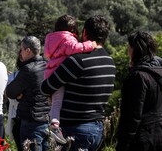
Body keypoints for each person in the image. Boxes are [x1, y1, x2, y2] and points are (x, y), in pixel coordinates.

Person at [41, 16, 116, 151]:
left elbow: (46, 87)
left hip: (75, 130)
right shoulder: (109, 62)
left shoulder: (77, 61)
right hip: (97, 129)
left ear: (85, 33)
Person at [116, 31, 162, 151]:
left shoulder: (138, 77)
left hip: (145, 140)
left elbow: (133, 115)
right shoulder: (161, 72)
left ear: (134, 50)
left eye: (129, 47)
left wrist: (123, 144)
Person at [43, 14, 96, 144]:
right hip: (58, 73)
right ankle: (54, 126)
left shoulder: (52, 39)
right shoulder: (67, 39)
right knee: (57, 102)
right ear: (72, 29)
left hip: (50, 71)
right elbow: (76, 48)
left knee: (54, 101)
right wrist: (90, 44)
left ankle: (54, 124)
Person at [5, 36, 50, 151]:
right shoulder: (47, 65)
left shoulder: (27, 69)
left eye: (21, 49)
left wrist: (20, 95)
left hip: (31, 122)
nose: (20, 53)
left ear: (28, 51)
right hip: (46, 120)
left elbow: (10, 92)